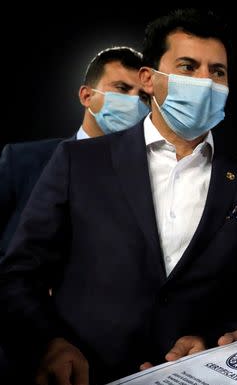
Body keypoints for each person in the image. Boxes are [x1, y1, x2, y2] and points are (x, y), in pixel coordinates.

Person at [0, 8, 237, 385]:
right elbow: (19, 273)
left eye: (218, 72)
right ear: (150, 79)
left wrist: (219, 340)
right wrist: (48, 342)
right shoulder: (79, 161)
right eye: (189, 67)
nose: (206, 83)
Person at [0, 46, 147, 257]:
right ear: (87, 96)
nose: (134, 102)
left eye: (143, 96)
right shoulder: (23, 161)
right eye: (122, 88)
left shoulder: (149, 175)